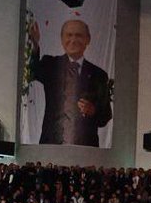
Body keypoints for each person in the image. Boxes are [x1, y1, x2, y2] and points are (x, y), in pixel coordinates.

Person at [26, 18, 112, 146]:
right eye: (69, 35)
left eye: (78, 35)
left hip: (85, 147)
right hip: (52, 143)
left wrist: (93, 110)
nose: (73, 40)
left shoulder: (98, 75)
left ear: (88, 39)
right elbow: (32, 73)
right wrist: (35, 44)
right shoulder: (51, 64)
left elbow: (105, 116)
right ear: (62, 39)